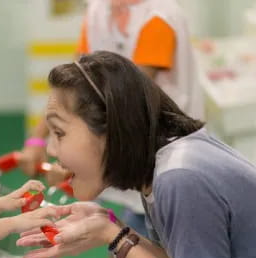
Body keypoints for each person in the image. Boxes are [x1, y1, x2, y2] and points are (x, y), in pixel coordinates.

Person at [17, 51, 256, 258]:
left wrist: (115, 237)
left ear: (111, 130)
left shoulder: (180, 177)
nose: (51, 150)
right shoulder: (169, 163)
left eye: (59, 133)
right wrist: (108, 227)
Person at [20, 0, 203, 236]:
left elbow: (125, 104)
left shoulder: (159, 18)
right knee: (126, 234)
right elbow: (71, 88)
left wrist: (71, 159)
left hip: (162, 154)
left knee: (153, 240)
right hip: (129, 151)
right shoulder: (99, 10)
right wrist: (36, 141)